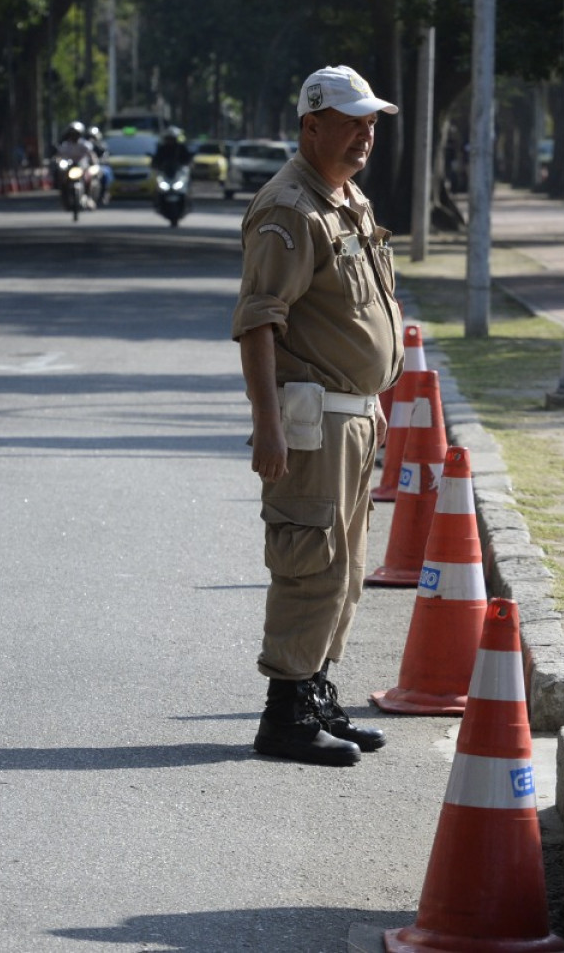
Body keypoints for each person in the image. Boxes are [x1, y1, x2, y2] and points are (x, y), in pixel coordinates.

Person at [231, 66, 402, 767]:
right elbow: (259, 322)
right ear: (311, 125)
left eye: (371, 123)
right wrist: (267, 424)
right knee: (311, 561)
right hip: (314, 420)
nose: (365, 135)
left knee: (347, 567)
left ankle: (316, 694)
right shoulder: (290, 210)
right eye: (351, 121)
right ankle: (285, 716)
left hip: (355, 417)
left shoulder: (344, 197)